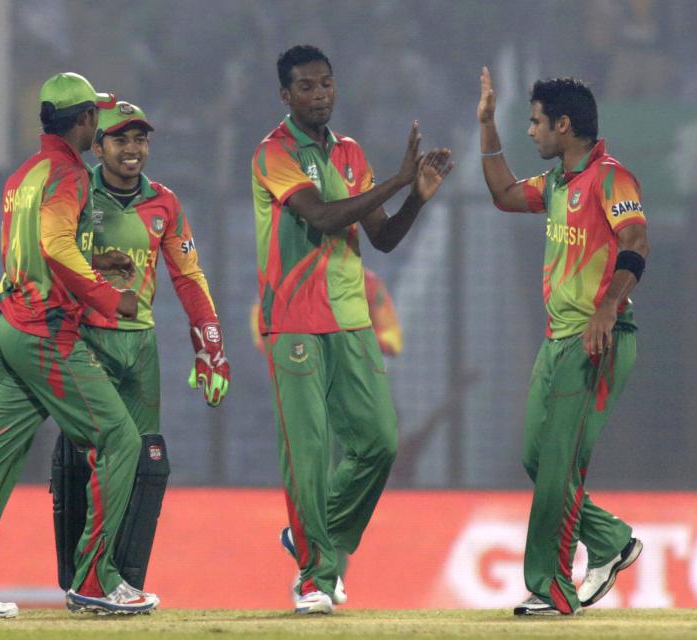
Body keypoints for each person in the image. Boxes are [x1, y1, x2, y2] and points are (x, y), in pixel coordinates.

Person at [0, 72, 159, 618]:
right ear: (83, 122)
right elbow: (55, 244)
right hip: (45, 334)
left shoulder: (23, 175)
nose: (100, 124)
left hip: (11, 324)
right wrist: (109, 295)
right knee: (121, 440)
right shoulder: (69, 174)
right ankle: (96, 582)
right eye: (96, 118)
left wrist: (97, 260)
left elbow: (28, 248)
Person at [252, 44, 452, 615]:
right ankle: (316, 577)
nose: (319, 95)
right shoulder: (273, 152)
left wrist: (414, 196)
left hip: (348, 317)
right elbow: (321, 216)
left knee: (378, 442)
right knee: (310, 453)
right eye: (306, 87)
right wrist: (396, 178)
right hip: (293, 319)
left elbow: (382, 238)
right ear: (286, 96)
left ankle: (317, 541)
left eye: (327, 84)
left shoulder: (350, 153)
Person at [477, 67, 649, 616]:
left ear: (564, 124)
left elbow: (637, 241)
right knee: (536, 455)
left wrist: (607, 306)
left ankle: (551, 587)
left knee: (557, 464)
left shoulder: (611, 177)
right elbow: (504, 193)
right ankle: (611, 540)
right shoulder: (556, 183)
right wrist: (487, 128)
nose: (530, 131)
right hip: (556, 343)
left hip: (597, 340)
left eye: (534, 122)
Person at [50, 100, 230, 597]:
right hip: (86, 340)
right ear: (99, 144)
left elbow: (189, 277)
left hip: (141, 348)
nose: (132, 149)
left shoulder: (165, 203)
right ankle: (88, 576)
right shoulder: (76, 190)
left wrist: (209, 345)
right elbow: (45, 251)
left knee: (142, 462)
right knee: (98, 458)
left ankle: (120, 579)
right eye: (120, 139)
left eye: (141, 140)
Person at [250, 268, 403, 357]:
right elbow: (263, 338)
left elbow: (392, 339)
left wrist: (353, 340)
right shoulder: (282, 283)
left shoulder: (367, 282)